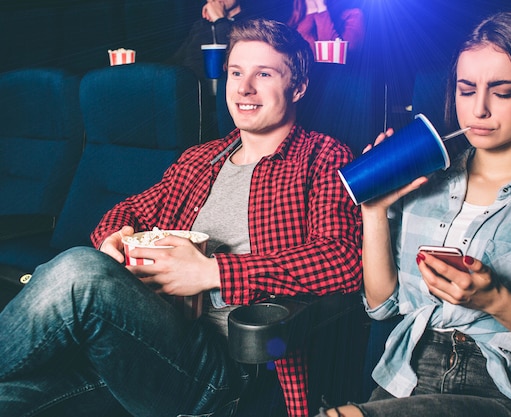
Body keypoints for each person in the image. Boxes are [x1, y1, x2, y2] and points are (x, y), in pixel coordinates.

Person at [0, 18, 362, 417]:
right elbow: (129, 210)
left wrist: (214, 273)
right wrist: (114, 239)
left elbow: (342, 259)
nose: (244, 88)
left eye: (264, 74)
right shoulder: (200, 159)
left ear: (298, 86)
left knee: (78, 271)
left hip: (225, 371)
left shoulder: (324, 157)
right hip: (147, 339)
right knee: (14, 396)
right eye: (236, 73)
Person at [317, 11, 511, 417]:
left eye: (502, 92)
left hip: (508, 387)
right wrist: (373, 211)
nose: (479, 109)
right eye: (466, 90)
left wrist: (497, 300)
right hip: (404, 376)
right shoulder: (425, 179)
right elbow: (382, 305)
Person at [287, 0, 365, 56]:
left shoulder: (353, 15)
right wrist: (311, 10)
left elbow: (333, 54)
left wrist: (321, 8)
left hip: (335, 76)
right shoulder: (294, 21)